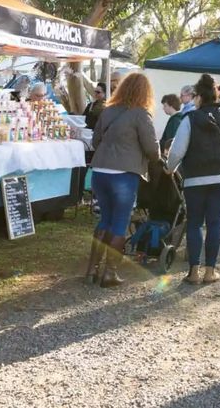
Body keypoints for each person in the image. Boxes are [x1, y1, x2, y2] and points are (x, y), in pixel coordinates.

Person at [166, 73, 220, 286]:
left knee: (194, 224)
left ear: (198, 96)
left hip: (195, 179)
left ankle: (193, 271)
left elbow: (177, 151)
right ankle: (210, 271)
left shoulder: (190, 119)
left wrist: (169, 169)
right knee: (215, 223)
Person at [86, 73, 161, 288]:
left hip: (100, 171)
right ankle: (109, 273)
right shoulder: (141, 114)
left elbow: (95, 140)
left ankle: (91, 270)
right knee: (119, 222)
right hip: (124, 174)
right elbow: (151, 149)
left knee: (105, 220)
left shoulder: (107, 111)